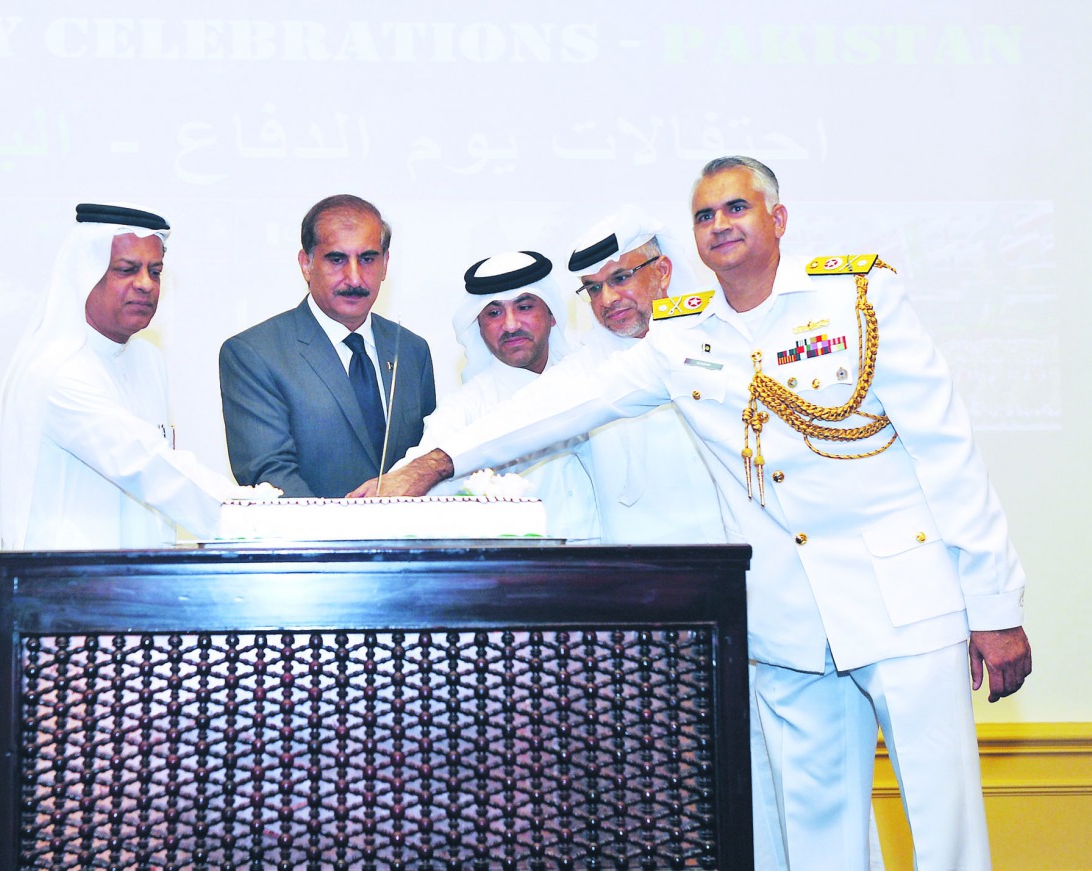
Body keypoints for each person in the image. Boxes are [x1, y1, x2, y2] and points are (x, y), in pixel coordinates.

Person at [355, 157, 1031, 870]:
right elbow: (561, 407)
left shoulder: (857, 298)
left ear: (777, 218)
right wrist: (433, 464)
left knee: (947, 832)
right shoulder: (683, 341)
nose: (720, 225)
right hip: (791, 627)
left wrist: (993, 598)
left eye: (735, 208)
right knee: (818, 839)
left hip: (904, 604)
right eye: (705, 215)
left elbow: (946, 449)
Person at [0, 203, 277, 551]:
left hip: (137, 578)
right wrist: (252, 516)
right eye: (127, 269)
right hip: (65, 584)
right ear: (86, 275)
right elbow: (145, 463)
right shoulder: (59, 369)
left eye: (155, 271)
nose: (146, 284)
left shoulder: (147, 359)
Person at [219, 194, 435, 497]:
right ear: (306, 264)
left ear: (386, 264)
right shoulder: (254, 353)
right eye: (337, 259)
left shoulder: (412, 351)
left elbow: (421, 465)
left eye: (368, 259)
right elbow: (270, 475)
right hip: (311, 541)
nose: (354, 277)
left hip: (405, 539)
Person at [400, 250, 599, 541]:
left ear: (552, 314)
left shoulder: (595, 378)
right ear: (478, 327)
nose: (510, 325)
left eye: (525, 307)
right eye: (494, 313)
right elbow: (416, 481)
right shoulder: (465, 408)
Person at [561, 206, 724, 544]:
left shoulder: (719, 344)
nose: (607, 299)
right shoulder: (583, 371)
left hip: (732, 558)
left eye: (620, 278)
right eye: (593, 289)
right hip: (635, 572)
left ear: (663, 271)